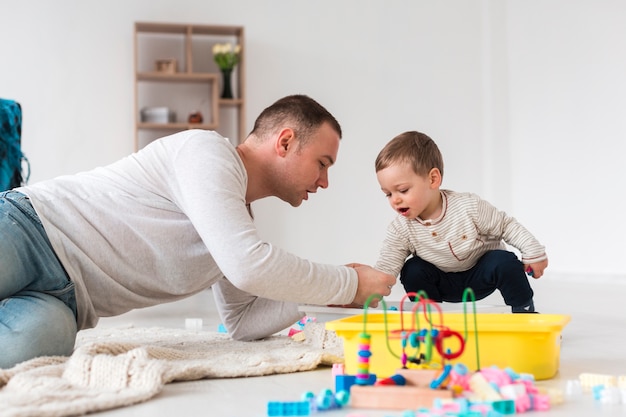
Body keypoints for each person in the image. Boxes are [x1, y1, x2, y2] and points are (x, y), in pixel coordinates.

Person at [0, 94, 396, 369]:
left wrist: (327, 299)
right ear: (286, 141)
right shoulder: (207, 153)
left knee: (30, 350)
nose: (324, 181)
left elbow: (243, 320)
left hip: (65, 303)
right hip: (30, 229)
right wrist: (348, 283)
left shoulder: (232, 223)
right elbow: (248, 265)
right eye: (322, 163)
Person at [373, 131, 547, 312]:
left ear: (433, 179)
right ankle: (429, 315)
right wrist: (367, 294)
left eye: (403, 190)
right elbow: (387, 265)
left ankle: (524, 309)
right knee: (412, 269)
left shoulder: (468, 206)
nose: (395, 200)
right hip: (442, 283)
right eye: (388, 194)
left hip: (480, 275)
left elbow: (506, 226)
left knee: (504, 261)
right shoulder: (401, 228)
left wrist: (533, 251)